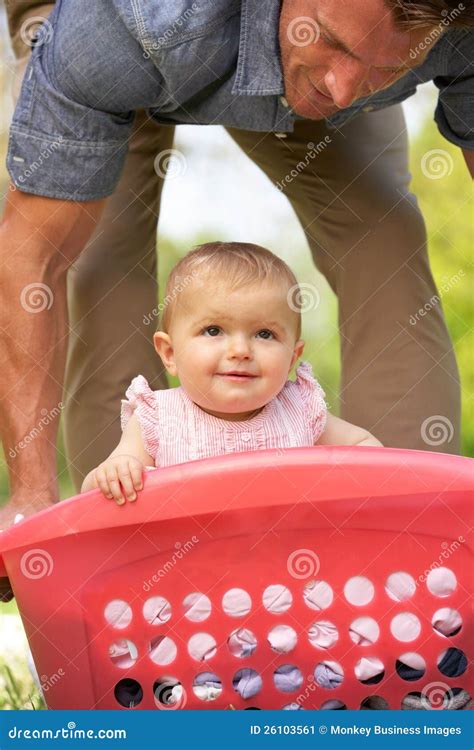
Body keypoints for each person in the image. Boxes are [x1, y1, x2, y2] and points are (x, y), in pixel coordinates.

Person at [1, 0, 473, 527]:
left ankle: (407, 545)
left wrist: (360, 54)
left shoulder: (456, 26)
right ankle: (121, 556)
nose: (342, 88)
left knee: (383, 233)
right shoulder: (119, 27)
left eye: (387, 68)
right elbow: (32, 263)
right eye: (331, 42)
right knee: (103, 269)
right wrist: (29, 497)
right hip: (124, 37)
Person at [81, 243, 382, 503]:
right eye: (213, 330)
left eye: (264, 334)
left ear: (292, 358)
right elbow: (94, 493)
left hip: (290, 559)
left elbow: (365, 449)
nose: (240, 350)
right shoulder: (157, 418)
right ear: (170, 353)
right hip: (186, 562)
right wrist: (113, 473)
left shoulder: (299, 410)